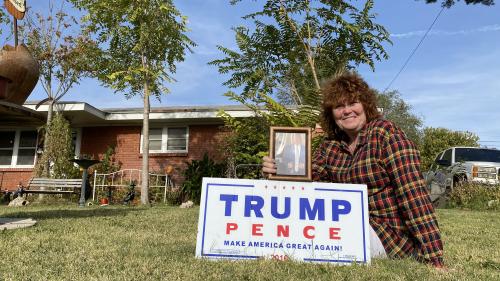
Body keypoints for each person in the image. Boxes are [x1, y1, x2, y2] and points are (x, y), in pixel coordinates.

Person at [262, 72, 444, 267]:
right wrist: (276, 171)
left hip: (388, 234)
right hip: (345, 226)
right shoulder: (330, 146)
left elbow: (413, 195)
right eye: (339, 106)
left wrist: (434, 258)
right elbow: (306, 185)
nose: (347, 111)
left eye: (353, 103)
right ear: (331, 113)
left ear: (365, 104)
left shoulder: (386, 135)